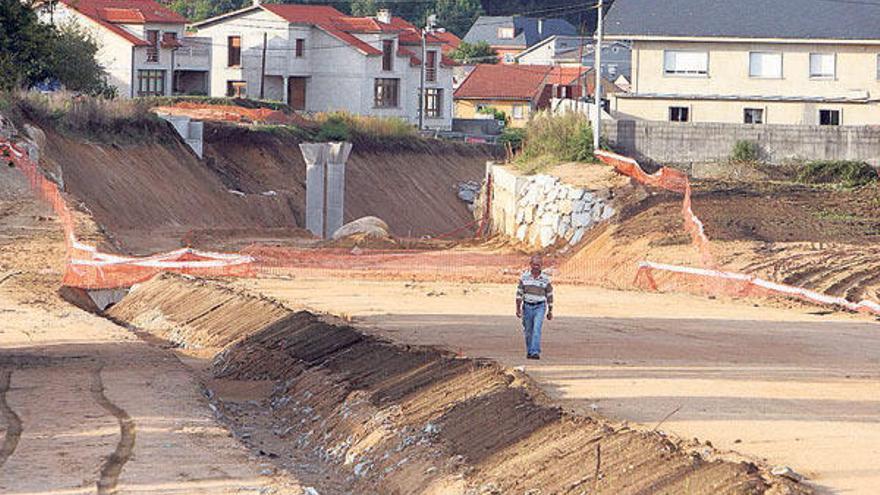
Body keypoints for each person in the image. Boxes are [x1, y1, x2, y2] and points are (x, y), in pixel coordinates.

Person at [515, 254, 553, 359]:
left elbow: (549, 295)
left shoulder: (545, 279)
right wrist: (518, 308)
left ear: (541, 266)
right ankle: (530, 350)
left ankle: (535, 351)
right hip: (527, 306)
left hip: (540, 306)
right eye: (534, 264)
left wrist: (550, 310)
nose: (536, 267)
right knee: (528, 330)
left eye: (539, 265)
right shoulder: (524, 277)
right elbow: (519, 294)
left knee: (537, 329)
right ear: (530, 264)